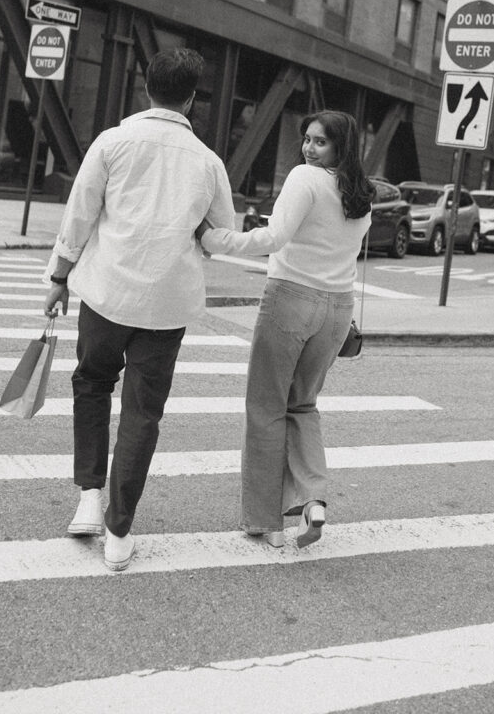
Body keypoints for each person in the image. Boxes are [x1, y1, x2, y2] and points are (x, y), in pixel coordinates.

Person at [43, 48, 235, 572]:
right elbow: (218, 236)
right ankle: (119, 529)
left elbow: (79, 216)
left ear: (146, 87)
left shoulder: (112, 142)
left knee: (92, 384)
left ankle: (88, 496)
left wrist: (59, 278)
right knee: (143, 413)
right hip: (167, 305)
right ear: (192, 98)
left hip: (107, 292)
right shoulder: (208, 162)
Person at [199, 110, 373, 549]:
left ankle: (264, 521)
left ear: (340, 147)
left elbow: (272, 238)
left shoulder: (305, 178)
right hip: (337, 309)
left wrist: (215, 240)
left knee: (265, 408)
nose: (309, 149)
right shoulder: (361, 194)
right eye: (308, 140)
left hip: (292, 298)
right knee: (304, 406)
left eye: (321, 142)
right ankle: (314, 500)